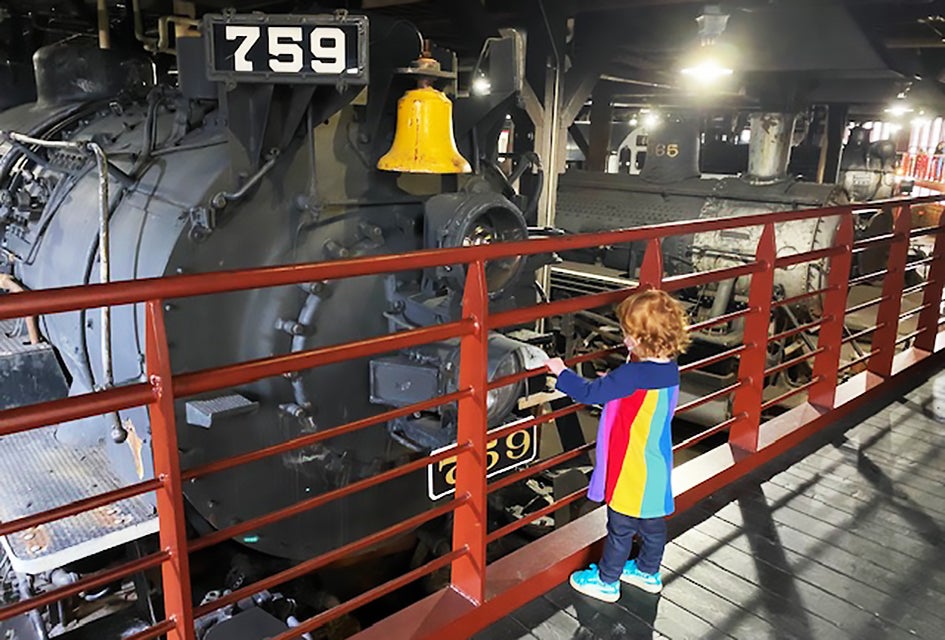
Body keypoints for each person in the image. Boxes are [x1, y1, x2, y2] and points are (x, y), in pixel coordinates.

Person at [544, 289, 690, 602]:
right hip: (656, 464)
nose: (625, 339)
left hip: (630, 468)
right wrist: (614, 381)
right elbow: (636, 395)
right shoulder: (670, 368)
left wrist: (561, 372)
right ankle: (648, 572)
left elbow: (589, 393)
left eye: (629, 334)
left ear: (642, 338)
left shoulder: (631, 373)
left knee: (620, 528)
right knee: (652, 526)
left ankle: (606, 581)